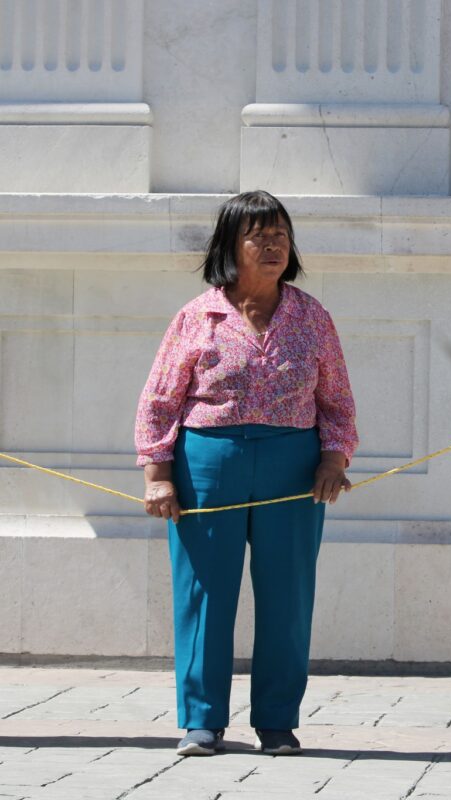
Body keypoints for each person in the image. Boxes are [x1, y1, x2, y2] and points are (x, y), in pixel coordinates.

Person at [135, 191, 357, 758]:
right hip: (208, 462)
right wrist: (158, 474)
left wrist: (333, 460)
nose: (273, 245)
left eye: (280, 234)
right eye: (258, 235)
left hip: (293, 463)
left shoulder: (312, 316)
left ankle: (277, 722)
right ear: (231, 245)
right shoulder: (197, 316)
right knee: (204, 592)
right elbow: (161, 399)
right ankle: (202, 721)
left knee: (288, 593)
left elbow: (335, 399)